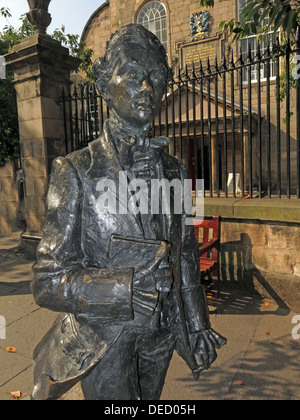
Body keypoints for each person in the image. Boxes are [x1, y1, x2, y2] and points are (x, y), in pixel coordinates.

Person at [31, 23, 226, 401]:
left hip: (163, 331)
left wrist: (198, 323)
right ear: (105, 86)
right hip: (105, 336)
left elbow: (185, 253)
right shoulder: (74, 171)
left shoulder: (174, 171)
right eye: (134, 75)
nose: (148, 89)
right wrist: (123, 288)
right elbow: (47, 280)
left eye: (156, 77)